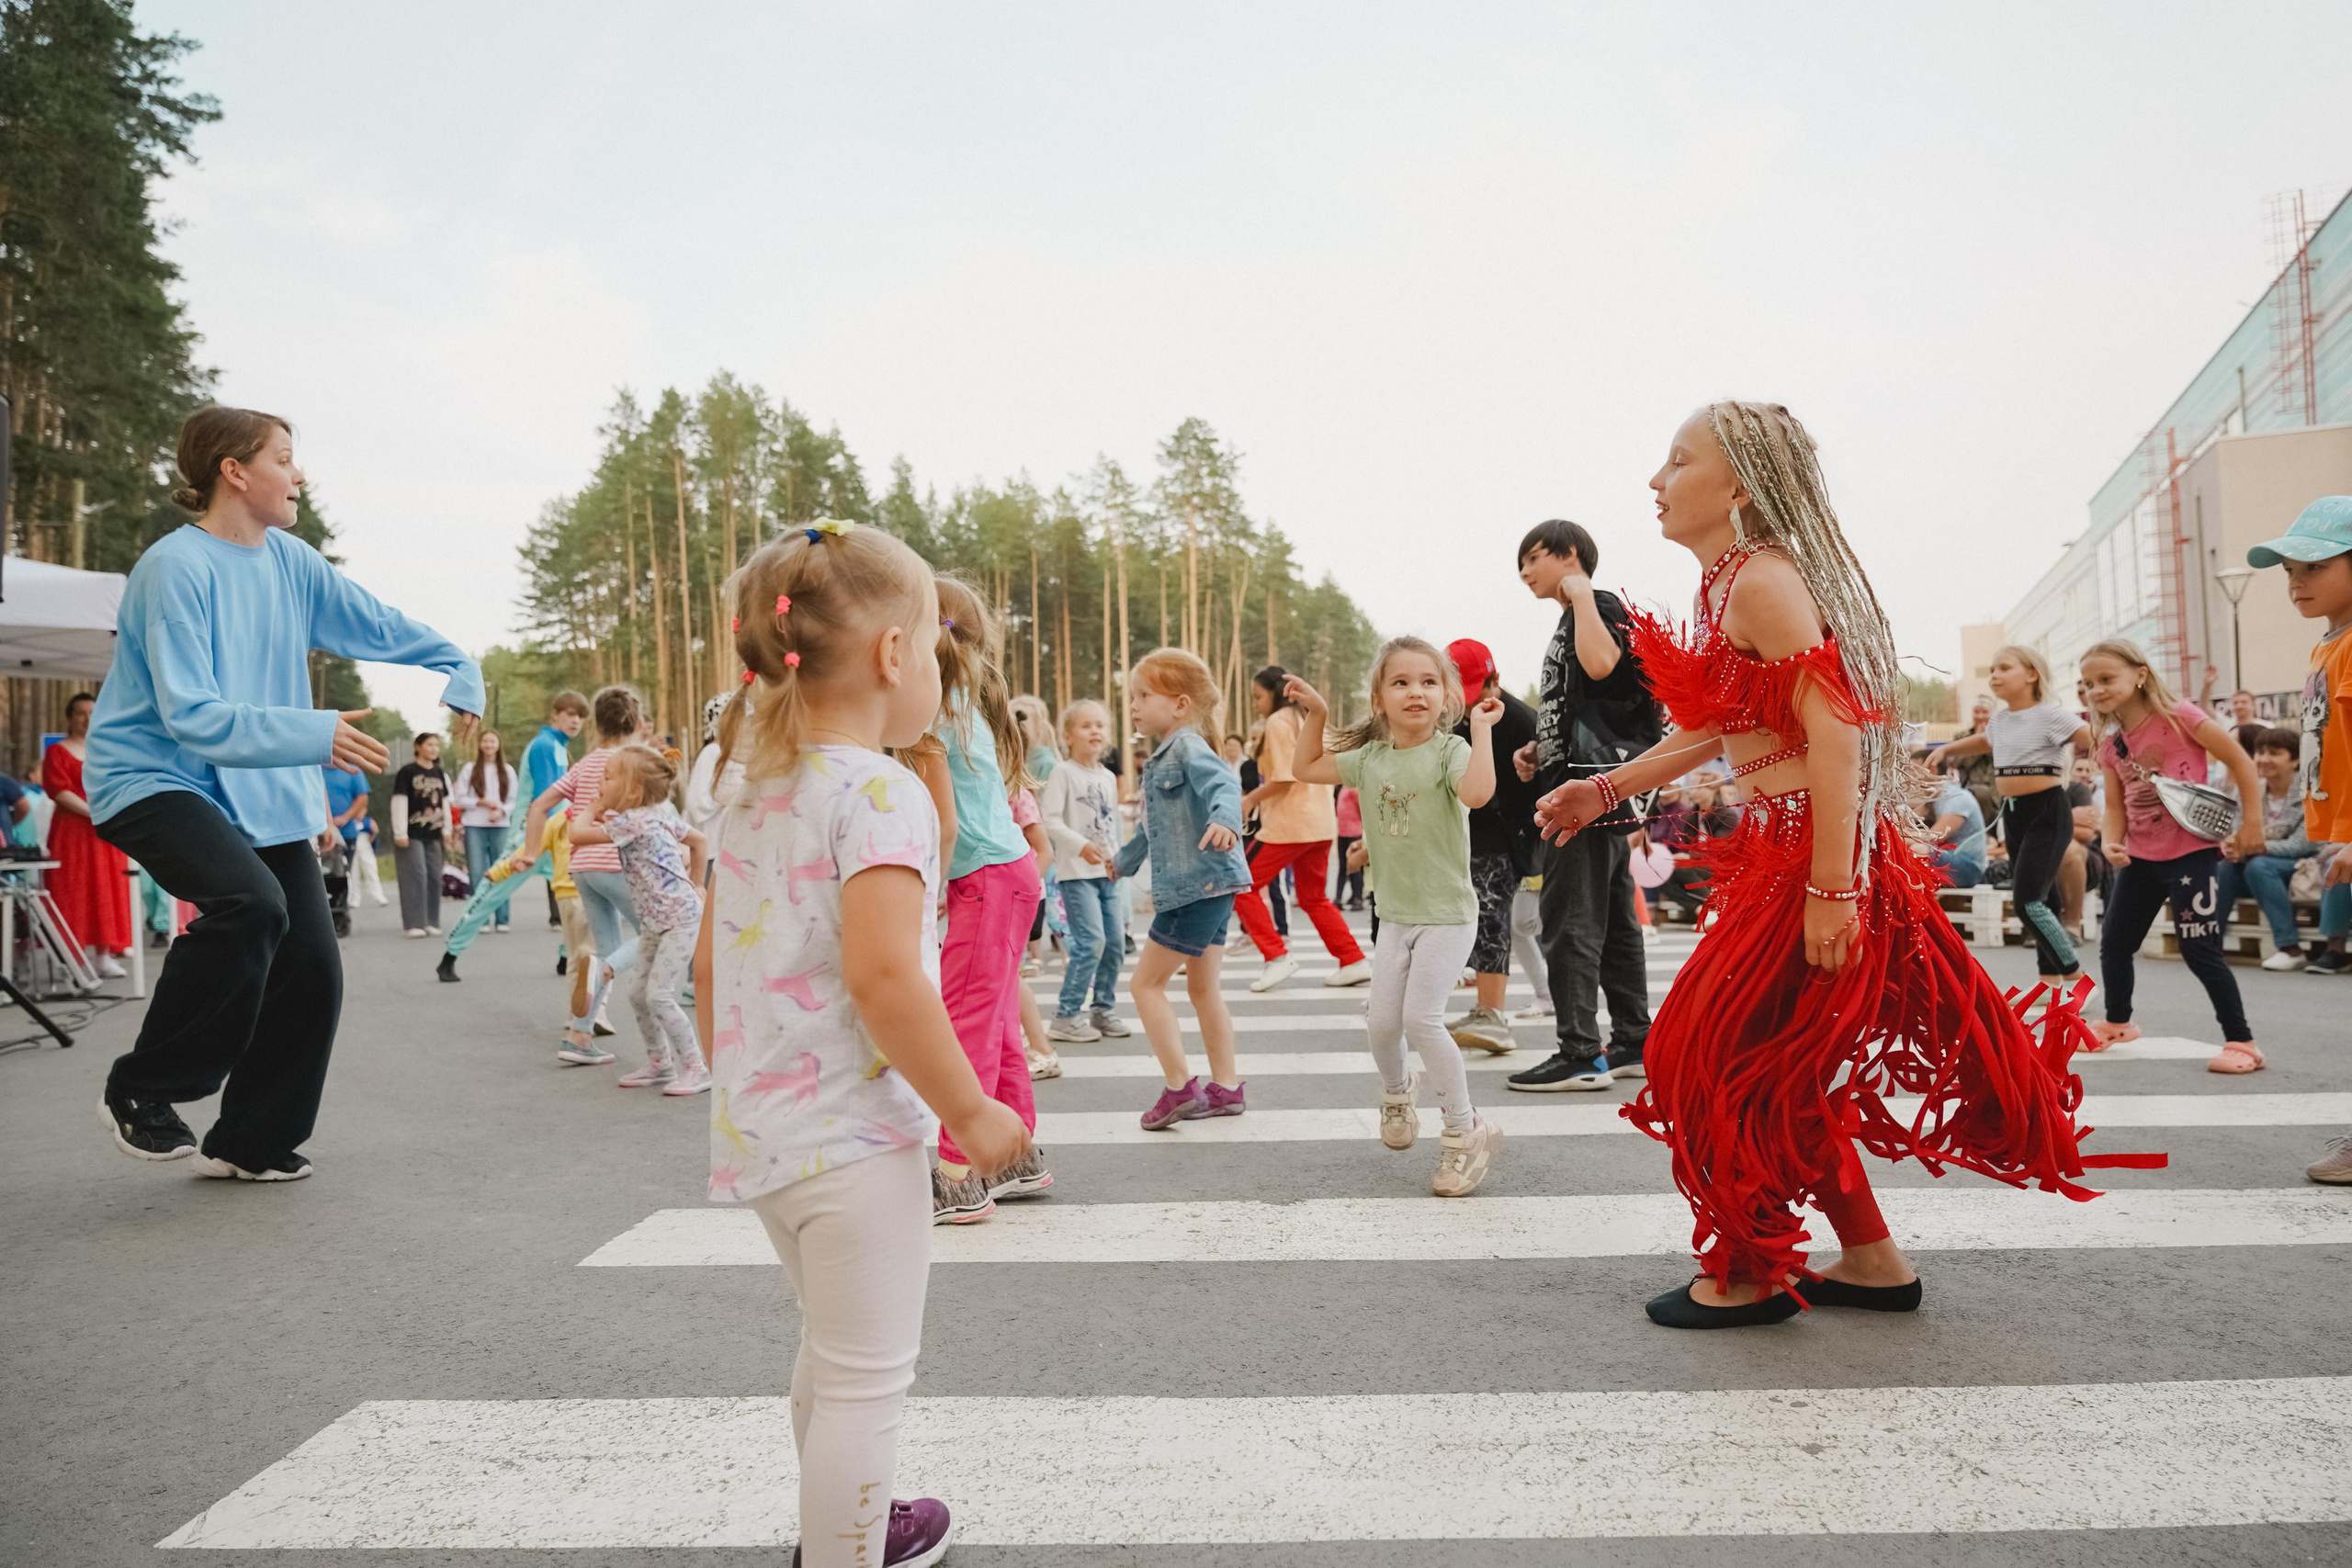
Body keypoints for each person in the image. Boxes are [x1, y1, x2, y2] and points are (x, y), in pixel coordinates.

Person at [1535, 400, 2153, 1328]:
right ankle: (1867, 1261)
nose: (1655, 482)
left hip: (1808, 856)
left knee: (1708, 1057)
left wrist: (1833, 889)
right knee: (1765, 1062)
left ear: (1738, 485)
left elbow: (1839, 734)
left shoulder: (1763, 581)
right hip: (1789, 849)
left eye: (1677, 461)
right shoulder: (1727, 583)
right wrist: (1606, 787)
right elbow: (1714, 726)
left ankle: (1748, 1270)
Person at [691, 521, 1027, 1568]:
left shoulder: (747, 788)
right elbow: (886, 978)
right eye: (932, 642)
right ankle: (846, 1549)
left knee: (832, 1358)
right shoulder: (881, 790)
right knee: (867, 1379)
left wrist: (741, 1084)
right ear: (892, 654)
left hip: (765, 1129)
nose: (935, 664)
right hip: (854, 1132)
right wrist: (971, 1110)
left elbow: (709, 970)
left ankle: (849, 1528)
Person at [89, 406, 480, 1179]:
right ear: (234, 470)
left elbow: (375, 622)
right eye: (285, 457)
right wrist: (313, 734)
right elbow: (192, 716)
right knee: (250, 906)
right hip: (153, 777)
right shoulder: (175, 568)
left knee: (310, 962)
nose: (299, 474)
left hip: (255, 788)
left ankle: (253, 1138)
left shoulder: (291, 562)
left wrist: (453, 662)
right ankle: (143, 1088)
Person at [1287, 643, 1508, 1196]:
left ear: (1447, 696)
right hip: (1396, 915)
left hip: (1447, 915)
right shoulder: (1369, 759)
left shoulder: (1449, 750)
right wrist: (1317, 715)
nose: (1416, 692)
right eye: (1402, 683)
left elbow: (1478, 795)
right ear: (1379, 699)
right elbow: (1305, 766)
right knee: (1381, 1024)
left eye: (1429, 682)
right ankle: (1396, 1093)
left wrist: (1481, 732)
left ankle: (1465, 1130)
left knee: (1422, 1022)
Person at [904, 576, 1049, 1224]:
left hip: (984, 876)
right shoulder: (964, 693)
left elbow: (946, 823)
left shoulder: (929, 709)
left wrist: (924, 893)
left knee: (966, 1019)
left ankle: (957, 1173)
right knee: (993, 1019)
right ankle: (1014, 1155)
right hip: (1008, 871)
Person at [1509, 518, 1663, 1093]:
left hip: (1586, 791)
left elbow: (1601, 665)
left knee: (1568, 917)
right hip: (1594, 783)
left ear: (1569, 553)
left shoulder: (1594, 603)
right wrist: (1536, 747)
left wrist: (1579, 594)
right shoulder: (1580, 612)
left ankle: (1578, 1051)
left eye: (1533, 558)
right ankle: (1632, 1040)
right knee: (1616, 916)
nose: (1524, 572)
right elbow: (1595, 698)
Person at [2081, 638, 2266, 1074]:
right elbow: (2115, 805)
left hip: (2192, 856)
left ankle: (2242, 1041)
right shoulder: (2112, 745)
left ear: (2140, 675)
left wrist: (2252, 823)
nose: (2097, 690)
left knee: (2199, 948)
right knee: (2115, 943)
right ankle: (2118, 1021)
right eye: (2089, 683)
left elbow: (2240, 761)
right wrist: (2111, 840)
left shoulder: (2181, 717)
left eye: (2107, 679)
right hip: (2141, 860)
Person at [1115, 648, 1252, 1131]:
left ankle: (1179, 1087)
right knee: (1202, 987)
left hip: (1198, 885)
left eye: (1143, 695)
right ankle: (1227, 1087)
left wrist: (1225, 820)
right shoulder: (1163, 755)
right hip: (1214, 884)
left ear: (1178, 703)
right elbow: (1153, 828)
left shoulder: (1188, 747)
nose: (1133, 705)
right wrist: (1122, 863)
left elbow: (1225, 788)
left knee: (1144, 984)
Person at [1933, 646, 2090, 997]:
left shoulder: (2051, 715)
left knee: (2028, 902)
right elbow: (1982, 741)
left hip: (2047, 811)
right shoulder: (2001, 721)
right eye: (1992, 669)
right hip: (2015, 815)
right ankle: (2050, 982)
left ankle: (2076, 978)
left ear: (2032, 674)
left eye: (2004, 667)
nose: (1995, 675)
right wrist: (1946, 749)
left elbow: (2090, 739)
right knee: (2043, 899)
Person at [516, 685, 648, 1066]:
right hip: (618, 864)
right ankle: (603, 970)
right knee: (658, 933)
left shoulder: (586, 763)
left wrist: (529, 851)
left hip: (583, 868)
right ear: (637, 722)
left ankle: (578, 1036)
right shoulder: (634, 760)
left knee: (607, 947)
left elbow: (540, 805)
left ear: (596, 724)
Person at [570, 743, 708, 1095]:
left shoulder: (633, 821)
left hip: (678, 920)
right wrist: (698, 885)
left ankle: (696, 1067)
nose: (601, 781)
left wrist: (594, 807)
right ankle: (660, 1063)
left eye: (608, 777)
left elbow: (576, 834)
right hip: (656, 921)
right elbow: (699, 840)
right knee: (637, 993)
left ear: (632, 791)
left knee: (659, 995)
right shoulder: (656, 813)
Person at [1231, 665, 1371, 991]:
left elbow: (1283, 777)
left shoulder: (1278, 722)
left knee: (1241, 884)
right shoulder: (1310, 719)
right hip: (1320, 822)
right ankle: (1353, 960)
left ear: (1275, 694)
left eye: (1258, 696)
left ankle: (1277, 957)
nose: (1255, 703)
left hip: (1289, 824)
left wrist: (1249, 801)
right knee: (1313, 897)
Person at [1440, 638, 1542, 1055]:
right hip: (1470, 836)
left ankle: (1494, 1015)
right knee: (1477, 920)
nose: (1466, 706)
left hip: (1506, 836)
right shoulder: (1455, 719)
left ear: (1494, 680)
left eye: (1473, 694)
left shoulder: (1520, 720)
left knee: (1493, 921)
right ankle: (1484, 1009)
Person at [1039, 698, 1128, 1044]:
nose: (1095, 731)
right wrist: (1080, 846)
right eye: (1086, 725)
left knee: (1115, 944)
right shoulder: (1063, 772)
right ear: (1068, 735)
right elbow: (1050, 820)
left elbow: (1110, 827)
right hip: (1076, 873)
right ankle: (1066, 1014)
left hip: (1107, 874)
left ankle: (1103, 1009)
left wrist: (1118, 860)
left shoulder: (1107, 776)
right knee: (1091, 943)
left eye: (1100, 725)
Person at [40, 693, 133, 977]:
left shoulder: (105, 751)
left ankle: (104, 955)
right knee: (72, 888)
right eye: (80, 713)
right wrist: (93, 812)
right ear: (70, 718)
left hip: (104, 832)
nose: (87, 719)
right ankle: (71, 955)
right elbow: (58, 789)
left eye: (92, 713)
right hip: (72, 831)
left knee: (106, 888)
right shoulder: (58, 752)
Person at [2213, 728, 2321, 969]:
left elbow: (2303, 844)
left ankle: (2290, 948)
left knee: (2258, 866)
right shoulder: (2250, 790)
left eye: (2274, 753)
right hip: (2259, 864)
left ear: (2295, 760)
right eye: (2259, 752)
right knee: (2225, 868)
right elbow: (2237, 828)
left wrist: (2254, 848)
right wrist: (2233, 845)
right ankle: (2210, 944)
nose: (2263, 759)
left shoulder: (2311, 793)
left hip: (2305, 864)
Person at [524, 693, 587, 930]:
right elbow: (544, 797)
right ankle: (451, 952)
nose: (576, 721)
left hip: (554, 825)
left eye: (581, 716)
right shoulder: (545, 745)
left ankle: (565, 952)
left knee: (564, 884)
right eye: (571, 714)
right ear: (555, 715)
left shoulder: (559, 745)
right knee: (495, 889)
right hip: (533, 829)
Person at [448, 729, 519, 933]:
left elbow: (514, 800)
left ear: (498, 744)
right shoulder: (470, 770)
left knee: (502, 871)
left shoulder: (507, 770)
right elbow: (459, 798)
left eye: (492, 741)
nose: (489, 745)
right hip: (475, 825)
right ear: (480, 745)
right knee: (478, 872)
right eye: (485, 741)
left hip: (500, 825)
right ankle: (480, 917)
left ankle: (502, 918)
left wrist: (501, 811)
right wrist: (481, 802)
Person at [390, 732, 450, 936]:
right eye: (429, 744)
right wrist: (400, 832)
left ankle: (431, 921)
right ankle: (415, 923)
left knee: (434, 876)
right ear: (418, 747)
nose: (434, 748)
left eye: (437, 745)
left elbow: (445, 803)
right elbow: (399, 801)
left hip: (434, 833)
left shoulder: (439, 773)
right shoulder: (407, 772)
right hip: (411, 832)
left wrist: (447, 829)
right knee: (416, 875)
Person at [321, 760, 371, 930]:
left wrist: (345, 817)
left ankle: (340, 910)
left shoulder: (353, 771)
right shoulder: (315, 769)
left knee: (342, 872)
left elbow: (362, 798)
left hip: (346, 833)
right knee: (321, 874)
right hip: (319, 833)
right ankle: (321, 912)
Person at [1922, 769, 1987, 888]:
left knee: (1919, 849)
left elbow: (1932, 837)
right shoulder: (1934, 799)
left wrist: (1898, 838)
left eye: (1914, 769)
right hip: (1952, 860)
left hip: (1969, 868)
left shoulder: (1957, 798)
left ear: (1933, 768)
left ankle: (1917, 901)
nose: (1908, 774)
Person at [1334, 784, 1364, 908]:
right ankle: (1339, 897)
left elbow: (1361, 809)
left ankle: (1357, 897)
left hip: (1354, 832)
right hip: (1342, 832)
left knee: (1355, 866)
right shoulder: (1342, 788)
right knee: (1342, 866)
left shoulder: (1353, 789)